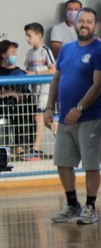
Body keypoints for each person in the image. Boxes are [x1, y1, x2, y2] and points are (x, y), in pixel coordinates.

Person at [47, 8, 101, 225]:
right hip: (65, 118)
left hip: (90, 117)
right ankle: (72, 204)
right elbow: (56, 79)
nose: (84, 25)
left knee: (91, 165)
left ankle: (91, 206)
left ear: (95, 25)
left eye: (89, 21)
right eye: (81, 21)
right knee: (63, 162)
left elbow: (98, 84)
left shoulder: (100, 50)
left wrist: (80, 108)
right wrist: (49, 107)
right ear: (75, 24)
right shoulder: (66, 49)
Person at [23, 22, 56, 160]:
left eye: (29, 35)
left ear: (39, 35)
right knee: (48, 122)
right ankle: (70, 141)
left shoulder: (45, 51)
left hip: (46, 90)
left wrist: (36, 74)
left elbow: (53, 70)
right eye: (26, 35)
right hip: (35, 91)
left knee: (39, 117)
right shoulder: (29, 54)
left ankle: (35, 150)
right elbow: (27, 72)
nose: (27, 38)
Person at [0, 40, 29, 156]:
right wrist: (9, 92)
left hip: (17, 109)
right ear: (3, 54)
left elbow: (23, 93)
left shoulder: (19, 72)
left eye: (15, 52)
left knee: (24, 106)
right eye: (12, 52)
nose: (15, 55)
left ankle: (20, 145)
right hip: (3, 108)